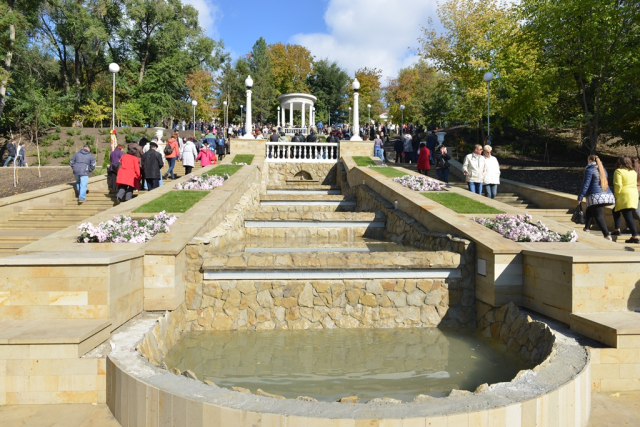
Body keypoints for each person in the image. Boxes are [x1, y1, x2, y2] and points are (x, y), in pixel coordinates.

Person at [578, 155, 613, 239]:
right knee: (590, 209)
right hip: (606, 195)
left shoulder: (590, 169)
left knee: (598, 216)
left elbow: (585, 184)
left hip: (595, 196)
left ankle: (606, 234)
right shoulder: (603, 170)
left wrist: (580, 197)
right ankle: (586, 228)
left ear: (590, 160)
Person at [612, 156, 640, 243]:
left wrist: (616, 195)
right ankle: (617, 230)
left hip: (624, 195)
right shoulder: (633, 172)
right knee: (615, 210)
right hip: (634, 194)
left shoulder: (618, 171)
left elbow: (618, 185)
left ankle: (635, 236)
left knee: (628, 216)